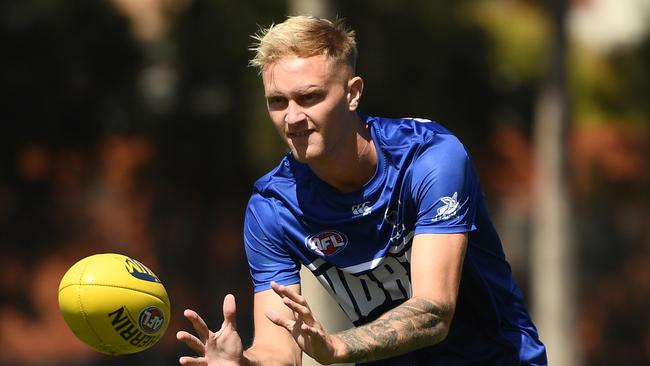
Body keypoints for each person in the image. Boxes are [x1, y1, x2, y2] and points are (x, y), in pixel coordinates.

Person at [176, 15, 548, 366]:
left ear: (353, 93)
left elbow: (435, 311)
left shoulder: (429, 158)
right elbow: (279, 350)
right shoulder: (272, 207)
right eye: (277, 101)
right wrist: (244, 362)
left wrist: (338, 344)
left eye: (309, 97)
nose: (291, 118)